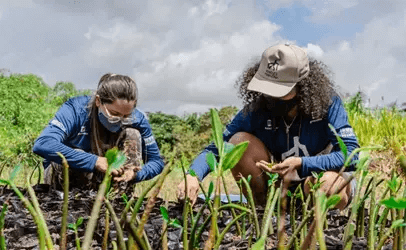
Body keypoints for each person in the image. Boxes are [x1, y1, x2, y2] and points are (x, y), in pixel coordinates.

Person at [178, 44, 359, 209]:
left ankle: (316, 224)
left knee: (325, 183)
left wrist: (302, 164)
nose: (272, 95)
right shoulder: (259, 108)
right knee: (238, 141)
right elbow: (218, 147)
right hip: (279, 185)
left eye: (280, 89)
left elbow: (353, 156)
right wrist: (192, 176)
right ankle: (263, 210)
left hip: (318, 178)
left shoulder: (328, 104)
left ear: (303, 85)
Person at [33, 73, 164, 191]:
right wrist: (94, 161)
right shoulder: (75, 110)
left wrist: (136, 174)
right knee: (77, 153)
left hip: (107, 178)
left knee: (132, 134)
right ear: (98, 101)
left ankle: (118, 198)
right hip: (67, 179)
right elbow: (43, 144)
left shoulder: (137, 119)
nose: (120, 120)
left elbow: (156, 162)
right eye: (114, 114)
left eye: (126, 116)